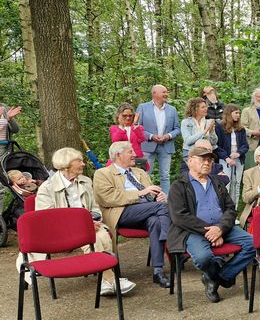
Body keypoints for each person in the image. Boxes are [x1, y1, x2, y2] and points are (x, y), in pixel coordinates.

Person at [17, 147, 135, 295]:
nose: (83, 164)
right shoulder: (47, 188)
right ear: (66, 165)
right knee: (95, 237)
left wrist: (93, 220)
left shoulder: (85, 181)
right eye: (79, 161)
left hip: (89, 227)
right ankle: (110, 280)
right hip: (59, 233)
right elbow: (47, 221)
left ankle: (106, 281)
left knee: (101, 235)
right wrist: (83, 226)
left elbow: (95, 208)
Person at [167, 145, 257, 303]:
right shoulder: (179, 186)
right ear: (190, 161)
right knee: (203, 257)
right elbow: (179, 217)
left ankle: (217, 277)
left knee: (253, 243)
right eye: (203, 159)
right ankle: (217, 274)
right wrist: (209, 232)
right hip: (193, 231)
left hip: (223, 227)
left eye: (210, 160)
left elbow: (230, 208)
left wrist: (220, 229)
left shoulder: (217, 182)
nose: (207, 163)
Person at [93, 141, 172, 289]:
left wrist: (159, 196)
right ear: (118, 155)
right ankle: (170, 240)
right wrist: (140, 193)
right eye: (130, 152)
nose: (135, 155)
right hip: (121, 212)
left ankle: (158, 271)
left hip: (147, 210)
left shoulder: (139, 172)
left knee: (155, 221)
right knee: (162, 209)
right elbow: (108, 198)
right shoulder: (103, 173)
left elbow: (151, 194)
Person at [136, 84, 181, 194]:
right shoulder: (142, 107)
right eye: (164, 92)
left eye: (166, 92)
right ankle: (145, 198)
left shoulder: (172, 109)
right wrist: (151, 136)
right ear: (154, 93)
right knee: (145, 174)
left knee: (165, 176)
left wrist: (168, 136)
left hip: (166, 146)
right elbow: (137, 127)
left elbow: (177, 128)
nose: (166, 94)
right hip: (147, 145)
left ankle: (165, 201)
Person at [215, 104, 249, 206]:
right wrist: (226, 158)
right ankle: (223, 210)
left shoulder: (241, 129)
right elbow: (217, 146)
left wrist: (238, 153)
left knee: (236, 184)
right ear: (229, 114)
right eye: (236, 113)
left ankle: (234, 210)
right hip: (225, 160)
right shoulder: (220, 127)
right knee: (226, 184)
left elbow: (245, 145)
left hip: (238, 159)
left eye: (239, 113)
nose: (238, 115)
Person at [109, 103, 147, 169]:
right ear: (119, 115)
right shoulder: (114, 128)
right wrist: (121, 126)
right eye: (124, 115)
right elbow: (115, 141)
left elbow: (141, 139)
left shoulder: (138, 127)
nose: (128, 118)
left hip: (136, 159)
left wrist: (135, 124)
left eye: (130, 115)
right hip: (120, 159)